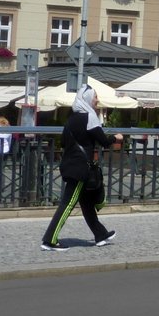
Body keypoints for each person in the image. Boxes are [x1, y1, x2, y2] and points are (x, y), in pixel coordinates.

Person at [40, 86, 123, 251]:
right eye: (95, 97)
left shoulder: (72, 118)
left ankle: (100, 234)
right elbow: (104, 141)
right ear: (87, 99)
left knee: (87, 204)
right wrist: (117, 137)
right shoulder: (90, 117)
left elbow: (63, 142)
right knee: (68, 204)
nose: (97, 100)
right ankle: (49, 240)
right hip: (80, 168)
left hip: (70, 164)